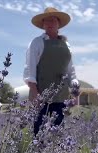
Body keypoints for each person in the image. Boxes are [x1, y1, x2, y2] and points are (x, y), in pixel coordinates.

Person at [23, 7, 79, 135]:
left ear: (58, 23)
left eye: (53, 20)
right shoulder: (36, 42)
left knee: (57, 135)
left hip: (61, 97)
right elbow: (29, 71)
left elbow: (71, 71)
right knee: (38, 133)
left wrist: (75, 93)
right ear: (43, 24)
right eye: (46, 21)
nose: (50, 23)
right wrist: (36, 94)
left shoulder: (66, 45)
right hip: (41, 96)